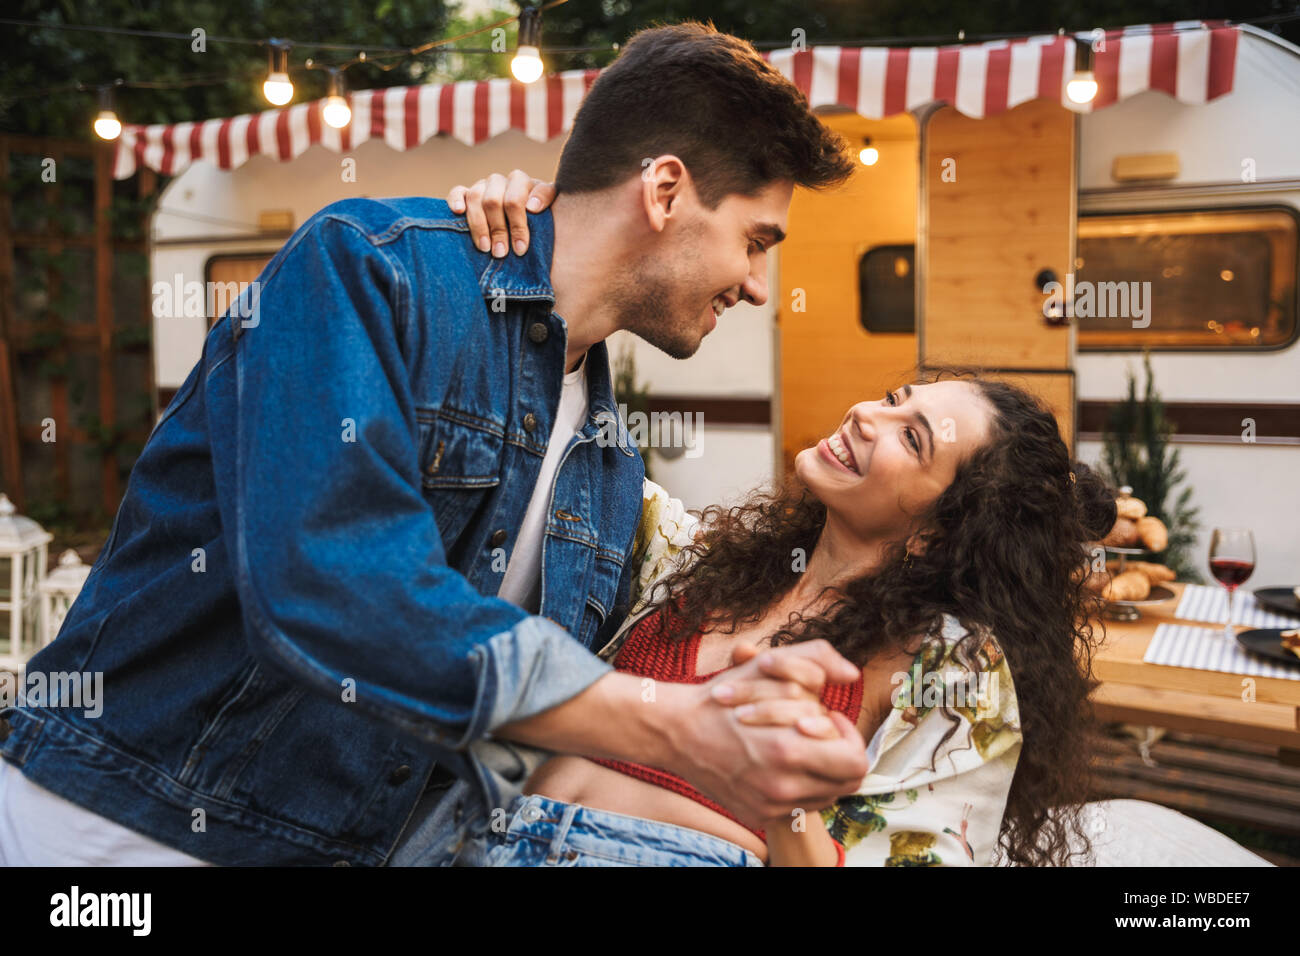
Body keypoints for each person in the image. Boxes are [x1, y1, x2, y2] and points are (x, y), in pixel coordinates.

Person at [0, 23, 866, 867]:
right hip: (117, 824)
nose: (757, 286)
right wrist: (674, 722)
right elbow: (335, 580)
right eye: (756, 242)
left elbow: (503, 729)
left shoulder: (609, 467)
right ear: (665, 191)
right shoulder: (372, 270)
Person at [394, 180, 1121, 868]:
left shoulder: (952, 674)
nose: (868, 415)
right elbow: (561, 451)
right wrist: (532, 247)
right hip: (473, 838)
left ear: (943, 528)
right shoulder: (692, 557)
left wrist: (790, 804)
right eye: (896, 398)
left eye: (912, 438)